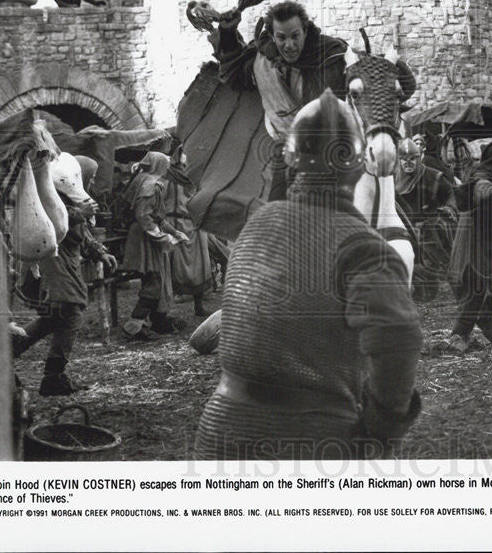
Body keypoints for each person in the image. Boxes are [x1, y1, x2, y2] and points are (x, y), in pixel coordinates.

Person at [195, 90, 422, 460]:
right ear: (356, 162)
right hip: (309, 440)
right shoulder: (365, 249)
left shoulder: (256, 224)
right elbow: (399, 345)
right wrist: (378, 435)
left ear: (290, 158)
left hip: (220, 431)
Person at [197, 0, 349, 201]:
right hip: (288, 154)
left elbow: (363, 83)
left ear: (305, 30)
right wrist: (227, 33)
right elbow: (234, 73)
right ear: (272, 36)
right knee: (275, 216)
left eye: (295, 36)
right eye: (281, 37)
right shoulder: (262, 63)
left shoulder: (331, 57)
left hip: (332, 151)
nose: (289, 45)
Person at [13, 156, 117, 395]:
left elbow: (84, 235)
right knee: (70, 315)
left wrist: (100, 252)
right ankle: (53, 377)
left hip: (67, 264)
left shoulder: (72, 199)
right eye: (88, 177)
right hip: (55, 264)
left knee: (54, 319)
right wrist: (78, 212)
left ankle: (7, 352)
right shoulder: (52, 198)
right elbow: (52, 224)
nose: (90, 182)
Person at [446, 140, 492, 352]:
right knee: (475, 292)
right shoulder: (480, 177)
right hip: (477, 247)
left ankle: (486, 318)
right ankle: (458, 336)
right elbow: (482, 189)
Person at [121, 152, 189, 337]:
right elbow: (144, 216)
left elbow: (157, 217)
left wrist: (174, 232)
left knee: (155, 278)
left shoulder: (145, 180)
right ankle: (134, 327)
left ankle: (158, 321)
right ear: (159, 165)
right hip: (144, 238)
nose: (168, 168)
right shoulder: (150, 185)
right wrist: (162, 238)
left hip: (145, 235)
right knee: (154, 281)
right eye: (165, 164)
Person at [395, 137, 457, 301]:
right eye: (404, 159)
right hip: (404, 229)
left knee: (433, 252)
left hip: (431, 227)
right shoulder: (393, 180)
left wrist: (448, 209)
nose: (408, 163)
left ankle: (444, 286)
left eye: (412, 159)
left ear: (419, 157)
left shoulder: (433, 176)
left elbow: (452, 195)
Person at [163, 150, 215, 318]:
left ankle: (198, 306)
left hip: (195, 226)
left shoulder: (197, 177)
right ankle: (163, 312)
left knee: (200, 267)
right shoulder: (167, 177)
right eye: (183, 162)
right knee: (173, 268)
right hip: (175, 226)